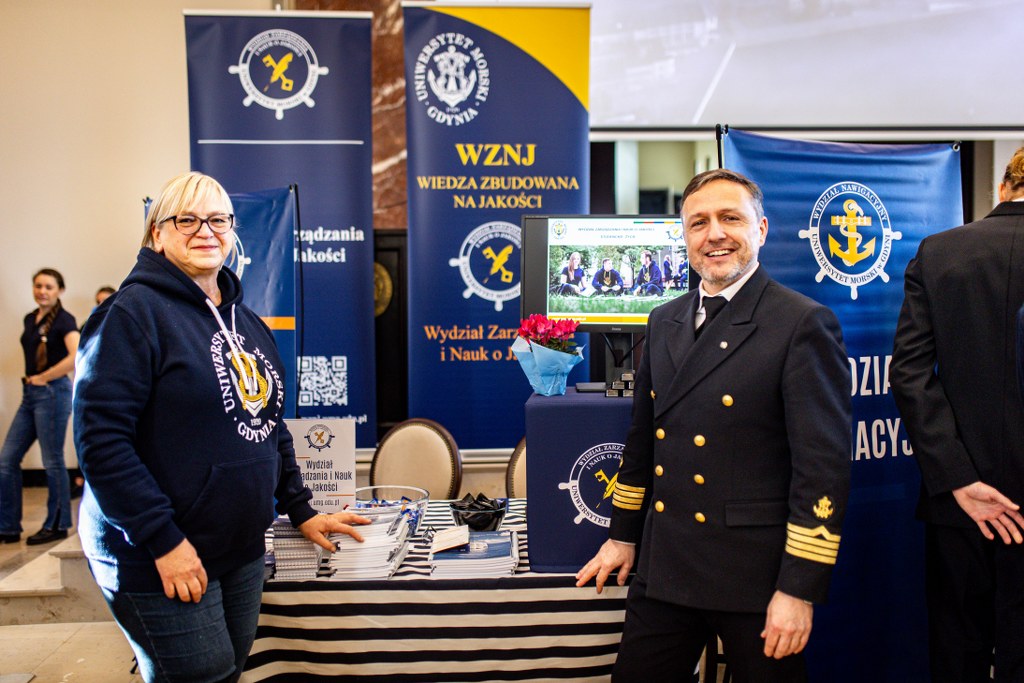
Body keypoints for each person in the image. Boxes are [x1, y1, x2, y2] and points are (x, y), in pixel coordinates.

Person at [72, 172, 370, 683]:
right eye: (186, 219)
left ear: (232, 231)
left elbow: (270, 426)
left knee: (230, 672)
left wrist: (300, 509)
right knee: (200, 675)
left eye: (217, 219)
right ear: (157, 234)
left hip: (239, 547)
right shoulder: (129, 315)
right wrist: (163, 541)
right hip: (158, 551)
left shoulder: (246, 323)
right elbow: (101, 445)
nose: (205, 230)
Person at [576, 169, 852, 681]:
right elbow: (642, 441)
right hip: (666, 565)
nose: (715, 234)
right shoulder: (664, 319)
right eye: (698, 223)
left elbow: (822, 472)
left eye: (731, 218)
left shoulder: (800, 323)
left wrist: (798, 588)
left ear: (761, 229)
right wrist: (623, 536)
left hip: (756, 577)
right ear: (684, 236)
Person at [890, 147, 1024, 682]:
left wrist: (959, 480)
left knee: (957, 653)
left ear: (1002, 188)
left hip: (960, 505)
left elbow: (910, 375)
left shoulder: (939, 252)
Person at [0, 269, 79, 545]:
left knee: (52, 460)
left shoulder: (65, 320)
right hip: (30, 394)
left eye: (48, 287)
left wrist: (45, 377)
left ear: (59, 290)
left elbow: (76, 355)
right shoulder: (30, 318)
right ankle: (7, 527)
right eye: (38, 286)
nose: (42, 291)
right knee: (7, 460)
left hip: (52, 393)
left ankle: (57, 524)